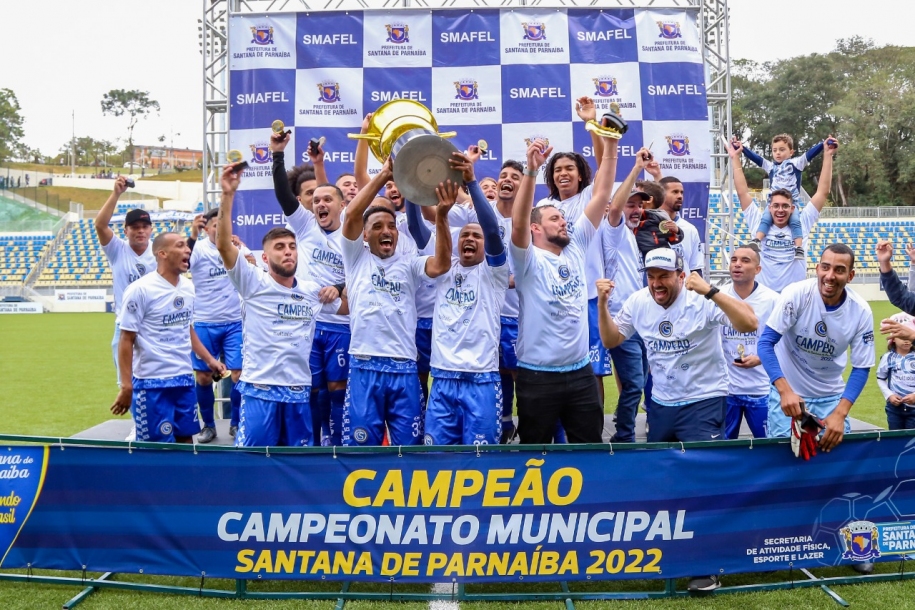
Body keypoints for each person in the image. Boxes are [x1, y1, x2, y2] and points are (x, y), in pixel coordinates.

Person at [216, 163, 347, 447]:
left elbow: (347, 307)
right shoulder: (253, 282)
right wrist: (227, 195)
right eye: (279, 247)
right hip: (260, 392)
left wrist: (339, 287)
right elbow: (225, 246)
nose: (288, 252)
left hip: (298, 394)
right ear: (265, 258)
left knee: (296, 467)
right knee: (253, 464)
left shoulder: (310, 291)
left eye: (292, 246)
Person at [511, 134, 617, 444]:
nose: (563, 222)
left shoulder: (576, 247)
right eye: (555, 218)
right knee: (535, 454)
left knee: (590, 449)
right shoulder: (527, 260)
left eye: (563, 217)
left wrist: (611, 144)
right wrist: (531, 170)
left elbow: (602, 193)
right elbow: (518, 223)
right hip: (537, 376)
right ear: (536, 228)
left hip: (581, 374)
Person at [339, 159, 453, 446]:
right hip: (364, 365)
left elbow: (441, 265)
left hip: (404, 368)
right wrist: (385, 175)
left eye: (391, 225)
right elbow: (351, 214)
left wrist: (441, 216)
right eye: (377, 226)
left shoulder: (409, 264)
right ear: (365, 235)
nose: (387, 231)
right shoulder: (356, 257)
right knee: (361, 449)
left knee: (410, 450)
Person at [598, 249, 758, 443]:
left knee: (702, 460)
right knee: (661, 461)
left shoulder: (701, 298)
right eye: (651, 276)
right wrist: (602, 304)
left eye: (664, 276)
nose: (656, 283)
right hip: (661, 401)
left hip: (704, 399)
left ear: (681, 276)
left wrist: (710, 291)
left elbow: (750, 323)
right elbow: (611, 340)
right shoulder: (638, 301)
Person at [423, 151, 509, 445]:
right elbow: (418, 229)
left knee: (481, 462)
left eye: (476, 236)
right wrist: (412, 185)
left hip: (481, 379)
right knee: (437, 459)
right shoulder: (443, 267)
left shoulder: (494, 272)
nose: (470, 239)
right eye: (464, 236)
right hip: (443, 377)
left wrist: (472, 182)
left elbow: (493, 231)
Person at [271, 130, 351, 446]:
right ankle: (314, 443)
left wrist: (339, 286)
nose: (319, 204)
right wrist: (278, 154)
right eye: (315, 200)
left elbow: (365, 273)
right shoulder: (305, 227)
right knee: (312, 389)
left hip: (341, 324)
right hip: (308, 322)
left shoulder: (353, 235)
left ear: (342, 205)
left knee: (338, 390)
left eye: (327, 199)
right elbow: (283, 194)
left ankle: (338, 443)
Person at [110, 232, 225, 443]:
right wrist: (126, 386)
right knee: (158, 449)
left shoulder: (188, 288)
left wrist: (209, 360)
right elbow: (126, 339)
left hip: (184, 379)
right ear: (162, 253)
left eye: (187, 246)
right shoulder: (140, 290)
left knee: (186, 443)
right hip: (152, 383)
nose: (188, 250)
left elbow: (186, 327)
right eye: (180, 245)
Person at [757, 244, 875, 451]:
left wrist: (840, 414)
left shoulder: (861, 311)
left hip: (831, 399)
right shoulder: (796, 294)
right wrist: (784, 391)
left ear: (850, 276)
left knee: (835, 461)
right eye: (825, 267)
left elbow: (861, 367)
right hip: (790, 396)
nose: (830, 276)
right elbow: (766, 343)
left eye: (839, 270)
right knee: (783, 461)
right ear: (817, 268)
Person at [535, 97, 613, 398]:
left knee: (592, 371)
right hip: (554, 296)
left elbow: (605, 165)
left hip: (589, 296)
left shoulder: (589, 197)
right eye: (557, 169)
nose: (563, 173)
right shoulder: (543, 206)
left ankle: (593, 424)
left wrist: (591, 123)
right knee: (556, 366)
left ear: (581, 174)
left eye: (569, 168)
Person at [728, 136, 837, 292]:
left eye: (785, 206)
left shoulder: (802, 221)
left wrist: (827, 154)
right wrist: (735, 158)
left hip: (795, 299)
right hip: (765, 298)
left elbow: (822, 192)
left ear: (792, 208)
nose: (780, 210)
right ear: (769, 207)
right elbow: (742, 193)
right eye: (776, 206)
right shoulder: (758, 221)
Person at [601, 148, 656, 443]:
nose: (635, 210)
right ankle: (624, 435)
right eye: (629, 205)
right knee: (634, 383)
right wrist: (636, 168)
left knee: (642, 382)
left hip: (640, 320)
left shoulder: (635, 237)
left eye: (639, 205)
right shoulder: (614, 230)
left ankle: (625, 431)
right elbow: (614, 211)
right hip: (621, 321)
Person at [186, 210, 252, 441]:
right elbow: (184, 263)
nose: (220, 229)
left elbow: (255, 271)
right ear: (206, 229)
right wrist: (192, 235)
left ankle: (236, 423)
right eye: (216, 225)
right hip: (205, 321)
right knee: (204, 377)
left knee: (239, 375)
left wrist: (245, 254)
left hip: (235, 323)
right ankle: (208, 425)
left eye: (224, 225)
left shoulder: (237, 248)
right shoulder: (197, 249)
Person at [95, 179, 158, 378]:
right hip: (125, 325)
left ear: (151, 229)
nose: (140, 231)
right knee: (126, 383)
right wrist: (116, 194)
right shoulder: (117, 249)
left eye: (145, 226)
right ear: (125, 231)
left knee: (155, 380)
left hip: (154, 325)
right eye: (135, 227)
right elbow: (100, 225)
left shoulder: (160, 251)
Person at [719, 244, 779, 439]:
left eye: (745, 261)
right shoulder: (718, 296)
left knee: (769, 445)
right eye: (734, 260)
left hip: (761, 388)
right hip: (726, 389)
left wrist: (761, 358)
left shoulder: (772, 300)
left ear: (758, 269)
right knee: (722, 448)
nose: (737, 264)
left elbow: (785, 343)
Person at [740, 134, 827, 258]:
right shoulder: (771, 166)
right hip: (774, 204)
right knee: (765, 219)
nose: (778, 153)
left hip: (791, 204)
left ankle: (798, 248)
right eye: (774, 150)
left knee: (795, 222)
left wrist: (822, 145)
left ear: (791, 152)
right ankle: (757, 240)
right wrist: (742, 148)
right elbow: (757, 159)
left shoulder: (796, 163)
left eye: (782, 150)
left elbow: (809, 154)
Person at [491, 160, 524, 442]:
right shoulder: (483, 212)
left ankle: (530, 423)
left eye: (515, 176)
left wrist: (514, 279)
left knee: (518, 372)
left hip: (516, 313)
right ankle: (503, 423)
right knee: (496, 371)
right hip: (488, 313)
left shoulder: (528, 217)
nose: (507, 179)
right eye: (503, 175)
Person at [655, 176, 702, 275]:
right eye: (675, 192)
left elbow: (695, 269)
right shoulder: (647, 225)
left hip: (683, 284)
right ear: (661, 195)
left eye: (681, 192)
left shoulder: (690, 229)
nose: (680, 196)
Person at [876, 313, 915, 431]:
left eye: (909, 338)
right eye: (902, 338)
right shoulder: (888, 358)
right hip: (894, 409)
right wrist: (889, 395)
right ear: (893, 339)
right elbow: (880, 378)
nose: (906, 341)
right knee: (895, 437)